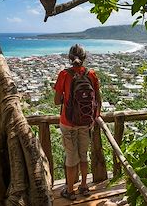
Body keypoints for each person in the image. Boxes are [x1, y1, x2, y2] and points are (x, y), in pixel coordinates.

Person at [53, 44, 101, 200]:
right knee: (83, 155)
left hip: (68, 122)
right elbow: (97, 99)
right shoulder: (91, 74)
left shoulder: (64, 74)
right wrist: (93, 117)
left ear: (69, 57)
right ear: (85, 57)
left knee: (71, 157)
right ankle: (84, 186)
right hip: (86, 122)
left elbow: (56, 101)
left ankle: (69, 190)